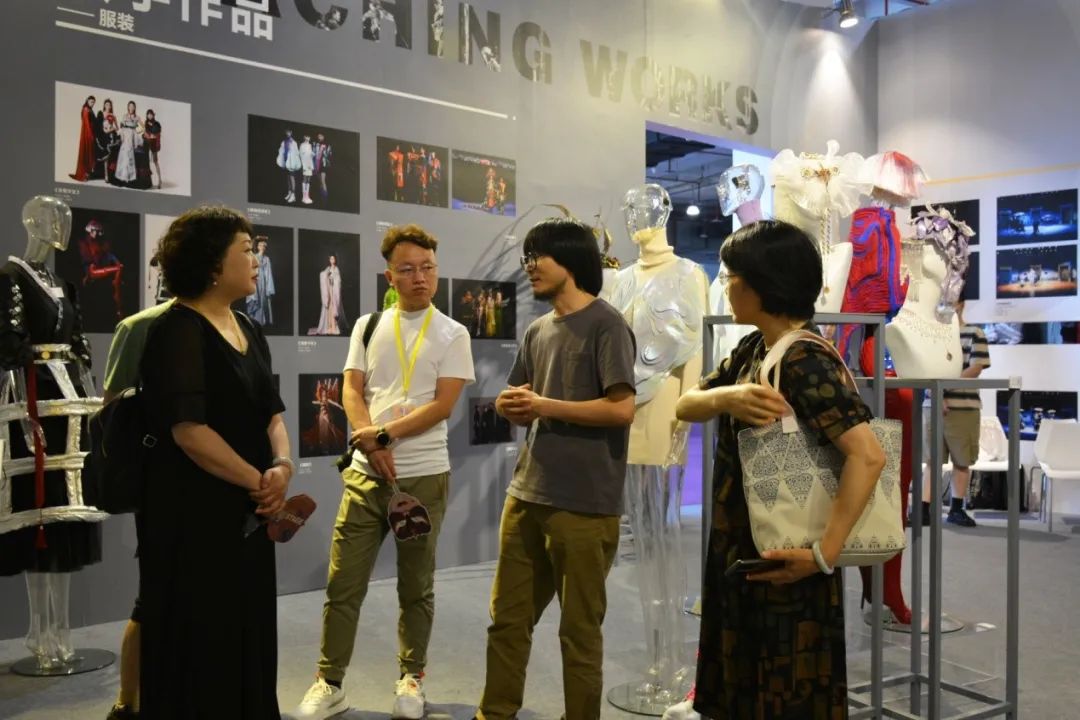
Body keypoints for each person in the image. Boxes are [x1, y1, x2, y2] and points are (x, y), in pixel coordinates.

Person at [673, 220, 886, 720]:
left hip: (788, 554)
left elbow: (868, 455)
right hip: (748, 547)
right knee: (749, 683)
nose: (726, 286)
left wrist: (824, 554)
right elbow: (685, 405)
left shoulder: (804, 360)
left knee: (784, 688)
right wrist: (727, 397)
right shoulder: (753, 349)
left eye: (730, 276)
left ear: (760, 284)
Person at [295, 224, 474, 720]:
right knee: (342, 585)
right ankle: (329, 682)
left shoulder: (453, 333)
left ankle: (411, 679)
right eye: (407, 269)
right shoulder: (368, 325)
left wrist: (384, 437)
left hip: (423, 476)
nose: (420, 277)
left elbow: (443, 406)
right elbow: (351, 389)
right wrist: (368, 441)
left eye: (427, 267)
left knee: (416, 586)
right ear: (389, 276)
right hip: (364, 477)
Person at [475, 218, 636, 720]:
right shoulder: (537, 330)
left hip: (586, 504)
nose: (529, 266)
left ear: (570, 258)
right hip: (527, 494)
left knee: (579, 632)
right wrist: (508, 405)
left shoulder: (608, 324)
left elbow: (621, 409)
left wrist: (544, 405)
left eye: (537, 256)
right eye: (526, 257)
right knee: (507, 621)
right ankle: (494, 713)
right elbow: (521, 397)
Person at [138, 206, 294, 719]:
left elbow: (272, 412)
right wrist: (261, 482)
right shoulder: (177, 330)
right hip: (194, 515)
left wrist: (283, 465)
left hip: (250, 511)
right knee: (203, 635)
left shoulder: (247, 325)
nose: (256, 260)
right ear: (211, 264)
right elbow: (190, 432)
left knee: (248, 625)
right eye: (245, 250)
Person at [100, 299, 174, 720]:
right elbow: (114, 413)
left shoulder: (237, 325)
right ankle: (128, 702)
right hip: (162, 485)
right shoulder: (139, 328)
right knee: (152, 598)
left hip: (221, 486)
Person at [918, 299, 990, 528]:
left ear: (961, 304)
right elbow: (922, 367)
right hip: (933, 406)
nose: (943, 304)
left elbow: (975, 368)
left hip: (963, 407)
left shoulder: (974, 333)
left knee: (962, 460)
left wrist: (942, 389)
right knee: (932, 460)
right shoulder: (930, 334)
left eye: (950, 299)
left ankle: (956, 508)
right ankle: (923, 509)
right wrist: (936, 393)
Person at [246, 236, 275, 327]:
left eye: (264, 246)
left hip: (263, 281)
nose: (262, 247)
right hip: (255, 279)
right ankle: (253, 321)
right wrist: (256, 238)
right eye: (261, 245)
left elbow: (268, 273)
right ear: (258, 247)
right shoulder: (254, 256)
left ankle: (260, 322)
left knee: (262, 301)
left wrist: (269, 287)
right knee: (255, 299)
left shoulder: (266, 259)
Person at [70, 95, 96, 182]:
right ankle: (83, 174)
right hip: (87, 134)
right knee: (85, 153)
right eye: (91, 102)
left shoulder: (90, 109)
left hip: (91, 132)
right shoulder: (85, 109)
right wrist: (90, 135)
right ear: (87, 101)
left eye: (93, 102)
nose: (92, 104)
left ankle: (87, 173)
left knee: (89, 153)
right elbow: (86, 124)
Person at [143, 109, 162, 190]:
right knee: (146, 162)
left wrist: (150, 135)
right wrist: (146, 135)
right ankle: (148, 181)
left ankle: (160, 180)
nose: (149, 116)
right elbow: (145, 133)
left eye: (151, 114)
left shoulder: (157, 124)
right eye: (148, 114)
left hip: (154, 145)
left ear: (153, 115)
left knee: (155, 162)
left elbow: (156, 134)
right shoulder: (146, 123)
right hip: (147, 143)